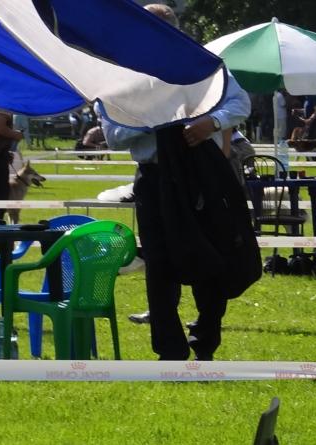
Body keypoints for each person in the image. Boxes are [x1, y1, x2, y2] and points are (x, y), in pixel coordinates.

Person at [101, 3, 251, 361]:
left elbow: (239, 103)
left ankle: (206, 337)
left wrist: (211, 123)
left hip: (202, 175)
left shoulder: (203, 67)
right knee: (159, 263)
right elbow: (113, 135)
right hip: (154, 178)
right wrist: (153, 121)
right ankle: (169, 350)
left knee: (212, 254)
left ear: (176, 33)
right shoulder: (120, 78)